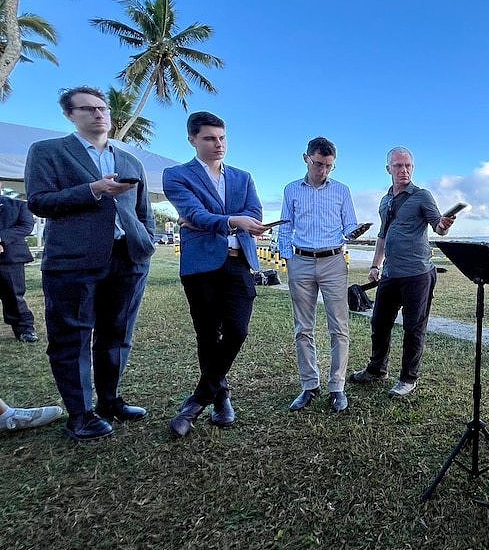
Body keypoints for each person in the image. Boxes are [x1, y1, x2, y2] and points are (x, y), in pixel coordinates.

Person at [24, 86, 155, 442]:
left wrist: (147, 240)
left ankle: (109, 401)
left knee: (117, 335)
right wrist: (93, 189)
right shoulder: (49, 152)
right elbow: (38, 201)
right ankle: (81, 414)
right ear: (70, 114)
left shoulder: (129, 161)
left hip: (127, 258)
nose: (99, 114)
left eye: (102, 109)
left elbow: (142, 210)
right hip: (74, 260)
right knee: (73, 337)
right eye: (88, 109)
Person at [162, 111, 266, 438]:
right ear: (193, 139)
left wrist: (212, 220)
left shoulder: (242, 177)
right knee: (207, 335)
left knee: (237, 330)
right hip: (201, 267)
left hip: (238, 264)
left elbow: (254, 214)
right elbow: (194, 214)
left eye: (222, 138)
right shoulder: (176, 175)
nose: (218, 144)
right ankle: (221, 397)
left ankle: (197, 401)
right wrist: (231, 221)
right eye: (209, 138)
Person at [349, 147, 455, 398]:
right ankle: (377, 369)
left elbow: (438, 228)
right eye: (398, 165)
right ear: (388, 169)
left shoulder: (422, 196)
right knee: (379, 323)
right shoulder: (385, 200)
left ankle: (408, 378)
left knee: (413, 327)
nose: (404, 170)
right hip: (390, 274)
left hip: (417, 274)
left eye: (408, 165)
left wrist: (443, 225)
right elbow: (382, 235)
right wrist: (375, 265)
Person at [278, 137, 358, 413]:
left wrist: (354, 232)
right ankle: (309, 385)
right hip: (300, 260)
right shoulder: (291, 190)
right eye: (318, 164)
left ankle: (337, 387)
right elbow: (285, 229)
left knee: (339, 327)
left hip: (334, 261)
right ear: (306, 158)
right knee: (303, 327)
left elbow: (349, 225)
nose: (323, 170)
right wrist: (288, 259)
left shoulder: (342, 191)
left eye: (329, 166)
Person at [0, 188, 38, 343]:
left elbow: (26, 226)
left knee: (14, 296)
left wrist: (1, 238)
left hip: (10, 258)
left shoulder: (18, 205)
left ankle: (25, 329)